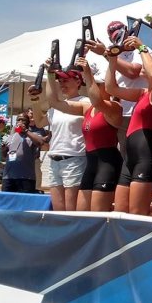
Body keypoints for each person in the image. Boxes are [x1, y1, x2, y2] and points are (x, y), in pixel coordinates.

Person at [46, 60, 123, 212]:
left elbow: (98, 101)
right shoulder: (86, 108)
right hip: (91, 162)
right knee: (78, 213)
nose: (94, 87)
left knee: (96, 213)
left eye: (99, 84)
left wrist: (87, 74)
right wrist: (49, 74)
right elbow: (53, 102)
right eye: (95, 84)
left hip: (107, 161)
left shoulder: (114, 107)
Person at [105, 35, 152, 215]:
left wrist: (142, 48)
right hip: (130, 157)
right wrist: (112, 60)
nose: (143, 69)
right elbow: (111, 88)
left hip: (144, 156)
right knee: (121, 211)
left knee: (137, 212)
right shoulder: (143, 93)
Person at [39, 65, 87, 211]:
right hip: (54, 159)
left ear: (78, 81)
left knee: (71, 210)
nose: (62, 84)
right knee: (58, 210)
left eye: (66, 80)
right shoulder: (55, 107)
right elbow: (40, 122)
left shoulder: (85, 102)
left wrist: (50, 75)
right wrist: (35, 99)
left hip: (74, 158)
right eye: (60, 81)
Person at [1, 113, 46, 193]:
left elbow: (40, 142)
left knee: (24, 204)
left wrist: (25, 131)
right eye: (18, 120)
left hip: (25, 178)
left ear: (28, 123)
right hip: (8, 177)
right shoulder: (11, 136)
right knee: (6, 203)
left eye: (23, 120)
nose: (20, 122)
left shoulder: (32, 135)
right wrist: (3, 149)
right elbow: (4, 156)